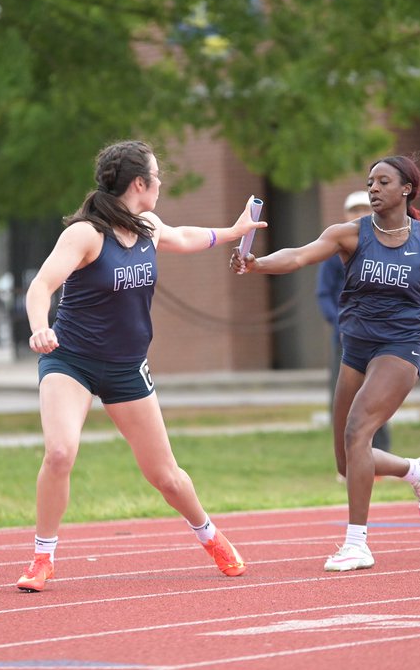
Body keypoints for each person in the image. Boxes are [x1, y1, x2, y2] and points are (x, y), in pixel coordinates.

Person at [231, 155, 420, 572]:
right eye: (370, 181)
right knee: (347, 459)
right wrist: (258, 263)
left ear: (406, 189)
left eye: (383, 182)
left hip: (401, 348)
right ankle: (416, 470)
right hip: (356, 348)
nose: (373, 188)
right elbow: (300, 256)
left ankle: (357, 544)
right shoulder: (350, 234)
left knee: (359, 430)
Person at [17, 139, 266, 592]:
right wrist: (39, 326)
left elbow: (184, 237)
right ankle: (42, 557)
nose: (161, 184)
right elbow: (40, 286)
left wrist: (232, 232)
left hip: (127, 367)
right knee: (59, 453)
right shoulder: (86, 234)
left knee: (166, 477)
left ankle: (210, 535)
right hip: (70, 360)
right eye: (157, 176)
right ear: (139, 183)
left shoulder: (148, 225)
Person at [316, 190, 390, 459]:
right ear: (345, 215)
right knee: (343, 399)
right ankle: (346, 459)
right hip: (346, 337)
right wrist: (341, 324)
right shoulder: (336, 247)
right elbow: (324, 293)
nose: (359, 215)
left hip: (378, 337)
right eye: (354, 210)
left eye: (364, 209)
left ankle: (380, 453)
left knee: (378, 395)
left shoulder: (384, 247)